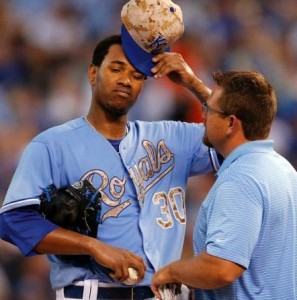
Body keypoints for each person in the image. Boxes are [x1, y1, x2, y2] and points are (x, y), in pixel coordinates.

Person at [0, 32, 221, 300]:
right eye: (116, 69)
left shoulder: (172, 137)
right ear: (93, 74)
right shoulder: (52, 145)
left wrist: (193, 83)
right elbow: (13, 220)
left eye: (137, 76)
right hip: (93, 291)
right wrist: (91, 246)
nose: (126, 80)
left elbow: (240, 135)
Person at [151, 70, 297, 299]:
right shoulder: (284, 169)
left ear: (230, 123)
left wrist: (171, 271)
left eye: (209, 110)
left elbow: (222, 268)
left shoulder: (241, 179)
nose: (203, 115)